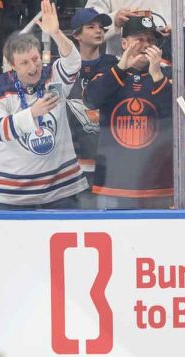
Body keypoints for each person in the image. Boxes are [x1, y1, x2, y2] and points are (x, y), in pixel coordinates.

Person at [0, 0, 88, 209]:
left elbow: (73, 63)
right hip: (14, 196)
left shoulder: (52, 76)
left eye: (35, 59)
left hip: (62, 190)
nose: (33, 67)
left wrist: (56, 33)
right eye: (24, 63)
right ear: (12, 65)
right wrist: (33, 113)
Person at [84, 14, 173, 209]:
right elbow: (91, 100)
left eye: (150, 40)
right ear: (124, 43)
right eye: (139, 39)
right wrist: (121, 68)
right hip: (113, 185)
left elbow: (176, 116)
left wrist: (157, 75)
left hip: (157, 186)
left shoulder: (167, 75)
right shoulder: (107, 71)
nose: (145, 45)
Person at [67, 8, 118, 209]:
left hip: (109, 164)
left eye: (101, 27)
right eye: (91, 27)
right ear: (76, 35)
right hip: (74, 166)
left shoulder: (114, 65)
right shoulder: (63, 69)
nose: (99, 30)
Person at [84, 0, 185, 57]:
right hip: (121, 67)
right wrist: (114, 20)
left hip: (167, 65)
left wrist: (177, 29)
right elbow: (86, 28)